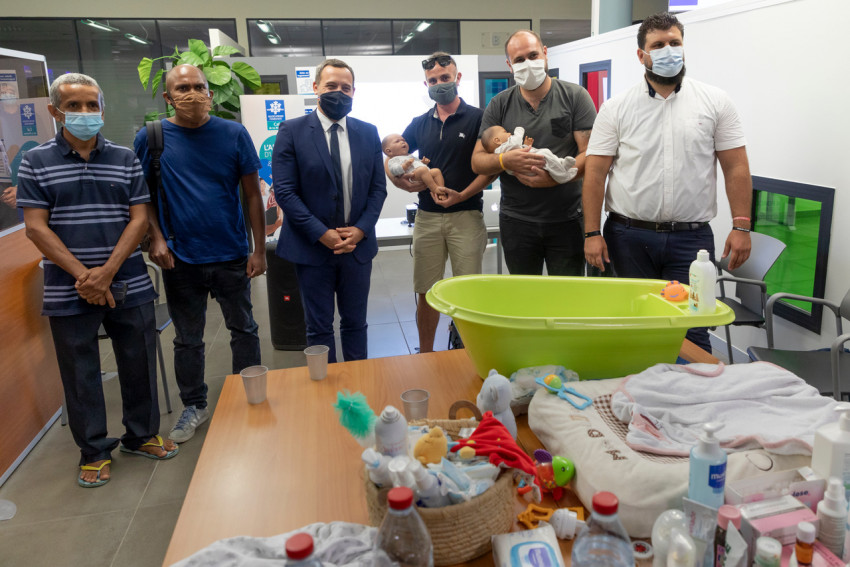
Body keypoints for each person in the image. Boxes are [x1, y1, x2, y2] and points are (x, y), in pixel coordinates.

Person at [17, 73, 178, 488]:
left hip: (127, 280)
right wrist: (83, 275)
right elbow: (35, 227)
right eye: (74, 106)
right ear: (55, 112)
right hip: (68, 286)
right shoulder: (35, 161)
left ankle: (140, 435)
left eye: (92, 105)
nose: (85, 113)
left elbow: (139, 216)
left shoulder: (124, 157)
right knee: (80, 371)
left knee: (138, 358)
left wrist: (106, 272)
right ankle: (93, 449)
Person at [583, 12, 752, 353]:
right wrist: (591, 233)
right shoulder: (616, 108)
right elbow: (595, 173)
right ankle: (638, 401)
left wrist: (742, 226)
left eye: (675, 43)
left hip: (691, 242)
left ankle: (692, 402)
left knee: (693, 330)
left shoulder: (715, 102)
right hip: (628, 236)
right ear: (641, 55)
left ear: (684, 47)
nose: (668, 50)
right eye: (657, 45)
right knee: (633, 328)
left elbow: (735, 167)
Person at [134, 64, 267, 443]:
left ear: (210, 91)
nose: (192, 94)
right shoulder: (152, 137)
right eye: (183, 88)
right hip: (180, 256)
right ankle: (194, 404)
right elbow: (142, 198)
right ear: (168, 96)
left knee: (244, 328)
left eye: (198, 87)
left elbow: (252, 194)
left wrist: (258, 249)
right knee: (187, 339)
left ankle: (248, 394)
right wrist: (156, 239)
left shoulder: (233, 133)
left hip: (230, 253)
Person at [272, 59, 387, 362]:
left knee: (355, 323)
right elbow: (285, 191)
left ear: (353, 92)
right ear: (316, 88)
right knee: (319, 327)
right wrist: (320, 233)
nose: (339, 92)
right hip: (312, 248)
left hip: (356, 247)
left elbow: (378, 189)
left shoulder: (368, 132)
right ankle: (324, 391)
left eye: (345, 88)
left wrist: (361, 230)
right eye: (331, 86)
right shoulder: (292, 131)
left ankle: (357, 386)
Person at [387, 52, 493, 353]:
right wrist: (399, 181)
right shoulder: (419, 123)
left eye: (445, 78)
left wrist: (464, 194)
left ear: (457, 78)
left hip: (466, 216)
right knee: (426, 291)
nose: (439, 84)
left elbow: (491, 168)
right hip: (428, 218)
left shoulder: (479, 118)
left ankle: (467, 353)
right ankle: (425, 353)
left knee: (467, 291)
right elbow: (394, 156)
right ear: (426, 84)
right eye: (433, 80)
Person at [472, 30, 597, 276]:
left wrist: (557, 177)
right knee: (524, 300)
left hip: (567, 219)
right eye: (519, 60)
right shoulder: (499, 104)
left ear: (545, 53)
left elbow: (590, 155)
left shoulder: (575, 97)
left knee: (567, 299)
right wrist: (503, 159)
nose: (528, 64)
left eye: (533, 55)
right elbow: (477, 161)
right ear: (510, 65)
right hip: (517, 221)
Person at [481, 125, 577, 184]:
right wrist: (519, 131)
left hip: (527, 166)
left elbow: (518, 150)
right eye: (505, 132)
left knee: (548, 159)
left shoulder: (505, 149)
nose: (509, 133)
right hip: (529, 167)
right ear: (497, 140)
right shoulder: (501, 149)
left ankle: (562, 164)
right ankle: (562, 176)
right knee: (545, 154)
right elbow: (515, 142)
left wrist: (526, 146)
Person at [382, 133, 447, 200]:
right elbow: (394, 171)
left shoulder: (409, 156)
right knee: (422, 170)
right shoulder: (393, 161)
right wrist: (405, 166)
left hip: (423, 173)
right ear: (389, 151)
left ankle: (441, 191)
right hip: (412, 177)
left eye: (404, 140)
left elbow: (417, 164)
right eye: (397, 141)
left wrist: (423, 162)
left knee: (436, 171)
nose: (402, 142)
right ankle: (435, 189)